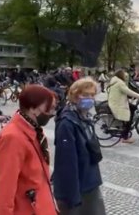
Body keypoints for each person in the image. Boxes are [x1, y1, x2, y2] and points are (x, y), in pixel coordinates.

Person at [0, 85, 58, 215]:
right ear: (33, 108)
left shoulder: (34, 129)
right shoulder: (13, 138)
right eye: (49, 108)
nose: (52, 112)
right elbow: (3, 190)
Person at [52, 78, 106, 215]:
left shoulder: (84, 117)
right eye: (86, 95)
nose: (90, 99)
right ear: (75, 96)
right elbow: (66, 164)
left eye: (93, 95)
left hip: (90, 182)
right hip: (78, 188)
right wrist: (72, 197)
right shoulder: (67, 123)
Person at [107, 69, 139, 144]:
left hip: (115, 102)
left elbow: (122, 93)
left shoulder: (115, 81)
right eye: (124, 75)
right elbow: (128, 91)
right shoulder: (120, 83)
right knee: (129, 117)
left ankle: (125, 129)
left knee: (132, 108)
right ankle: (125, 136)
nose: (125, 77)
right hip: (118, 104)